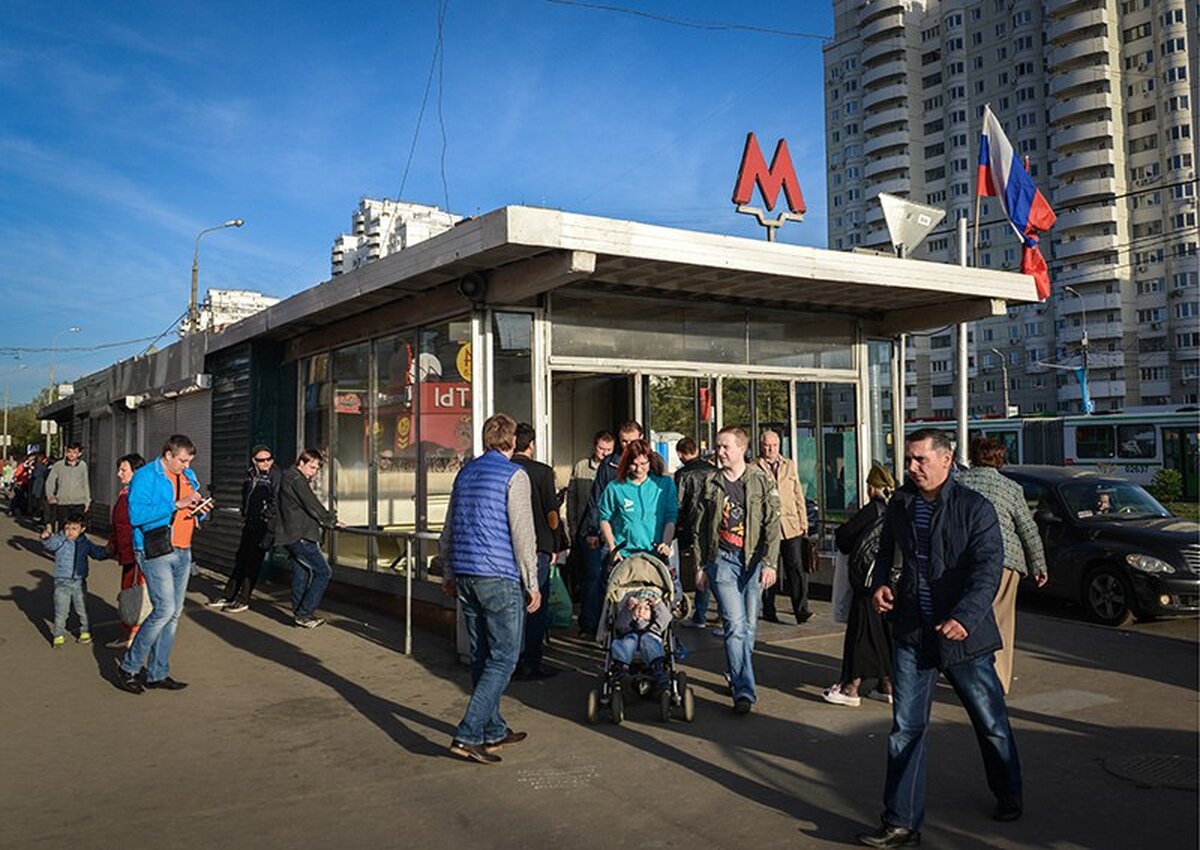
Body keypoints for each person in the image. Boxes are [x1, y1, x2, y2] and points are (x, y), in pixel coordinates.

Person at [857, 430, 1022, 848]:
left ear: (947, 460)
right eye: (908, 460)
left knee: (990, 723)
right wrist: (879, 585)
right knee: (906, 729)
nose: (911, 468)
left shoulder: (975, 507)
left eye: (919, 460)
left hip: (963, 637)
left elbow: (988, 568)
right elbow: (885, 551)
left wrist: (965, 617)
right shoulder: (901, 504)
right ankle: (901, 823)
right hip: (913, 633)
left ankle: (1008, 791)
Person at [439, 413, 539, 765]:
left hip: (466, 574)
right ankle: (467, 734)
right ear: (512, 443)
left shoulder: (465, 472)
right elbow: (522, 534)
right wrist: (532, 581)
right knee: (505, 658)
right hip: (499, 576)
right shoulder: (515, 475)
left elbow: (449, 525)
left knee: (482, 656)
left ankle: (493, 729)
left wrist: (449, 570)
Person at [693, 426, 781, 714]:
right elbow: (700, 528)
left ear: (741, 449)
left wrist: (769, 563)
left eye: (725, 447)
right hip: (723, 561)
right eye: (718, 446)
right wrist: (700, 566)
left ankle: (736, 672)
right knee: (735, 626)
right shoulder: (711, 483)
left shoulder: (760, 480)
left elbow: (772, 524)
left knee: (749, 627)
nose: (719, 452)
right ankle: (744, 692)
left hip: (753, 562)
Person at [115, 435, 206, 695]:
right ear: (168, 454)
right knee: (164, 610)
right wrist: (175, 505)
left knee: (174, 613)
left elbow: (191, 503)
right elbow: (137, 514)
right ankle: (129, 667)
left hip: (183, 548)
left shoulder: (187, 476)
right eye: (183, 460)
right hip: (156, 548)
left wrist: (200, 509)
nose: (187, 465)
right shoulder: (145, 476)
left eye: (189, 461)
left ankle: (157, 672)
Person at [957, 437, 1048, 694]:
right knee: (1002, 622)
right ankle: (997, 682)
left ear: (973, 456)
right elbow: (1028, 529)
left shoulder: (957, 483)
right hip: (1006, 561)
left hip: (965, 561)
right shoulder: (1011, 488)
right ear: (999, 458)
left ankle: (968, 677)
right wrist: (1039, 565)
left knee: (967, 618)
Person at [824, 463, 895, 707]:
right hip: (890, 584)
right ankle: (887, 685)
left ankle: (850, 688)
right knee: (883, 635)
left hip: (867, 584)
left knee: (860, 635)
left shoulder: (872, 509)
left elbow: (844, 537)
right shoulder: (896, 509)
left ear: (872, 488)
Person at [580, 420, 644, 638]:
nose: (627, 446)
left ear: (641, 438)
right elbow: (596, 499)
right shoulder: (609, 465)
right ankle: (600, 626)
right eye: (624, 441)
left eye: (632, 441)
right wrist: (592, 530)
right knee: (606, 582)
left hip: (641, 536)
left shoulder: (651, 464)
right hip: (613, 536)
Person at [511, 422, 561, 680]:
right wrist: (555, 543)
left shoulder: (506, 470)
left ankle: (512, 659)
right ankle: (532, 660)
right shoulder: (542, 472)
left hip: (509, 546)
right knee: (536, 604)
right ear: (532, 445)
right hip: (538, 545)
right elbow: (552, 513)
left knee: (514, 605)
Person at [207, 445, 282, 613]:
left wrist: (267, 515)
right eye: (262, 460)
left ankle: (244, 598)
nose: (266, 463)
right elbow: (245, 496)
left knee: (253, 561)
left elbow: (277, 499)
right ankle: (229, 594)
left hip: (264, 523)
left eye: (269, 459)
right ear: (254, 460)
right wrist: (244, 514)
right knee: (241, 558)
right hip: (250, 521)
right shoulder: (250, 475)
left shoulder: (275, 475)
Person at [276, 449, 342, 629]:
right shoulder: (297, 480)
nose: (314, 472)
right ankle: (305, 613)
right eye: (312, 467)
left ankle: (299, 612)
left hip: (291, 534)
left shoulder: (288, 477)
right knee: (323, 572)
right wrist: (331, 520)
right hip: (301, 535)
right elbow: (311, 503)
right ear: (301, 463)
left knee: (302, 571)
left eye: (317, 468)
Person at [754, 429, 812, 625]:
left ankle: (801, 609)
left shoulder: (789, 465)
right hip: (766, 527)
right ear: (761, 446)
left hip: (790, 525)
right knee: (769, 568)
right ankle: (769, 608)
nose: (771, 449)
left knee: (796, 567)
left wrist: (803, 521)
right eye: (767, 446)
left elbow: (798, 495)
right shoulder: (754, 467)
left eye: (774, 446)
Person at [597, 439, 678, 566]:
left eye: (643, 464)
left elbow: (670, 517)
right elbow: (604, 518)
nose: (639, 469)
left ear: (650, 461)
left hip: (655, 555)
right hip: (625, 557)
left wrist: (666, 543)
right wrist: (612, 547)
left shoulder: (665, 485)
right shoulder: (615, 488)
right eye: (634, 464)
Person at [41, 511, 109, 647]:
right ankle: (58, 635)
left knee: (82, 609)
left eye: (74, 528)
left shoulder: (86, 543)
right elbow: (50, 545)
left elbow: (97, 553)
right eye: (67, 528)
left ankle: (85, 632)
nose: (70, 532)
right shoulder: (60, 540)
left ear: (82, 529)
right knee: (61, 611)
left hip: (79, 581)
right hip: (61, 582)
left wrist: (108, 551)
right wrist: (46, 537)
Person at [565, 430, 613, 604]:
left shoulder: (615, 468)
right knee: (591, 575)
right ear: (595, 447)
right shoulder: (581, 467)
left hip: (609, 531)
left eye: (609, 449)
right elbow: (572, 498)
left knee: (607, 575)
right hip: (586, 530)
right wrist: (572, 526)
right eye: (601, 449)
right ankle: (589, 621)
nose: (605, 453)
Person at [107, 453, 146, 649]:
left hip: (137, 552)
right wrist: (113, 542)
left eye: (123, 470)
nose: (118, 473)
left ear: (136, 472)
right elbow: (118, 523)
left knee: (135, 593)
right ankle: (130, 632)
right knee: (128, 590)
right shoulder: (125, 492)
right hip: (125, 551)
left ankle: (134, 635)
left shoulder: (140, 494)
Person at [675, 437, 715, 629]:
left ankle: (698, 613)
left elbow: (678, 503)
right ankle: (710, 611)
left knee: (696, 567)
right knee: (709, 565)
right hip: (712, 525)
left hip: (690, 527)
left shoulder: (683, 474)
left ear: (680, 454)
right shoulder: (713, 471)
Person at [611, 588, 672, 692]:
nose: (641, 611)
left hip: (650, 645)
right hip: (630, 647)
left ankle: (658, 670)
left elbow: (666, 618)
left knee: (650, 641)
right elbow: (619, 625)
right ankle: (622, 671)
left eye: (646, 609)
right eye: (638, 608)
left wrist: (658, 604)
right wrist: (627, 609)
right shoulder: (628, 624)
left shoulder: (655, 625)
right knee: (627, 642)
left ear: (653, 613)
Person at [45, 442, 91, 532]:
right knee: (64, 529)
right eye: (69, 452)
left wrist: (87, 500)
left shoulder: (83, 466)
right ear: (65, 452)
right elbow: (50, 482)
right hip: (63, 502)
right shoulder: (58, 465)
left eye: (74, 452)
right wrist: (50, 496)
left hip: (78, 502)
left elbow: (85, 483)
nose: (71, 455)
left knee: (77, 529)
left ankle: (76, 546)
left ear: (79, 454)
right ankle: (63, 545)